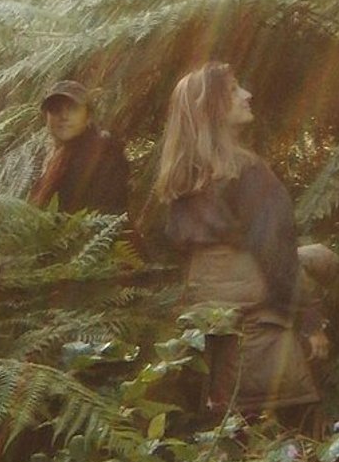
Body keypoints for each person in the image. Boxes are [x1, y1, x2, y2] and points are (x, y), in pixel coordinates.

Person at [153, 60, 319, 425]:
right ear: (211, 109)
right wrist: (311, 323)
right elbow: (277, 259)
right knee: (285, 459)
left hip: (209, 344)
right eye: (232, 90)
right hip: (262, 342)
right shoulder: (249, 175)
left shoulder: (183, 184)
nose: (247, 95)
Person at [30, 77, 131, 218]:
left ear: (88, 116)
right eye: (56, 109)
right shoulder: (44, 156)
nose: (64, 116)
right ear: (46, 117)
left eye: (73, 109)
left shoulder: (104, 153)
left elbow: (105, 214)